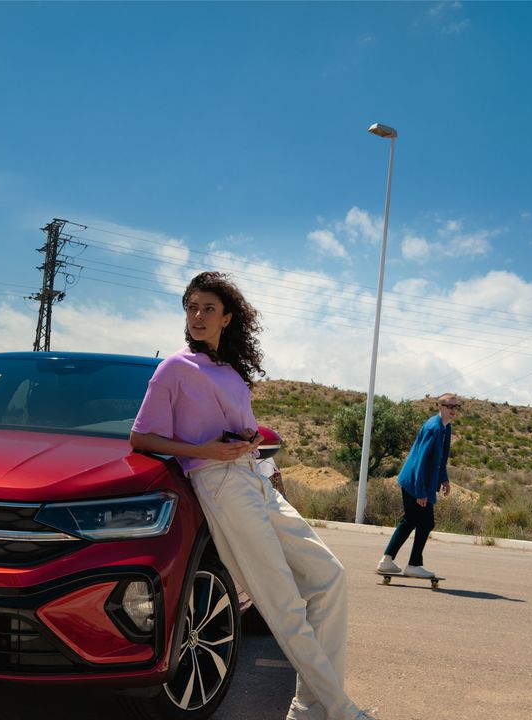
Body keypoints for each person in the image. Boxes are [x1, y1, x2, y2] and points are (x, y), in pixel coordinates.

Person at [131, 271, 376, 720]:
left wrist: (247, 435)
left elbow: (242, 425)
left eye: (208, 308)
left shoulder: (228, 370)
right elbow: (142, 437)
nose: (198, 316)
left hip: (254, 476)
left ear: (227, 318)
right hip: (220, 484)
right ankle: (340, 711)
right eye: (191, 307)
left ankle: (309, 708)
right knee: (282, 602)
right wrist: (202, 451)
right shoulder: (174, 369)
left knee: (330, 576)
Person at [376, 392, 461, 579]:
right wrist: (421, 492)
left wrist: (444, 479)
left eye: (456, 406)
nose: (454, 410)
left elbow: (440, 459)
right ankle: (413, 564)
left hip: (418, 481)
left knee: (411, 520)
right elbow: (422, 461)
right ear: (439, 406)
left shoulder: (446, 428)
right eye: (450, 406)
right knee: (426, 522)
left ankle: (387, 561)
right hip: (416, 482)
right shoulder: (434, 429)